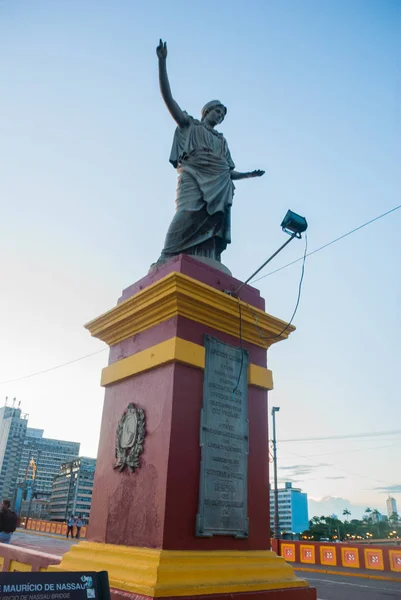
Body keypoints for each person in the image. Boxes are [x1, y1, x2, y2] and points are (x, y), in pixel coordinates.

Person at [155, 39, 265, 266]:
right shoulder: (190, 125)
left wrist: (248, 175)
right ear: (207, 111)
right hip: (193, 176)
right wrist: (162, 62)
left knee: (212, 222)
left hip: (218, 186)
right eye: (217, 112)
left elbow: (227, 172)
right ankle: (167, 256)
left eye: (223, 116)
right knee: (185, 211)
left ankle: (206, 259)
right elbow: (168, 99)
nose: (220, 117)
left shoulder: (222, 141)